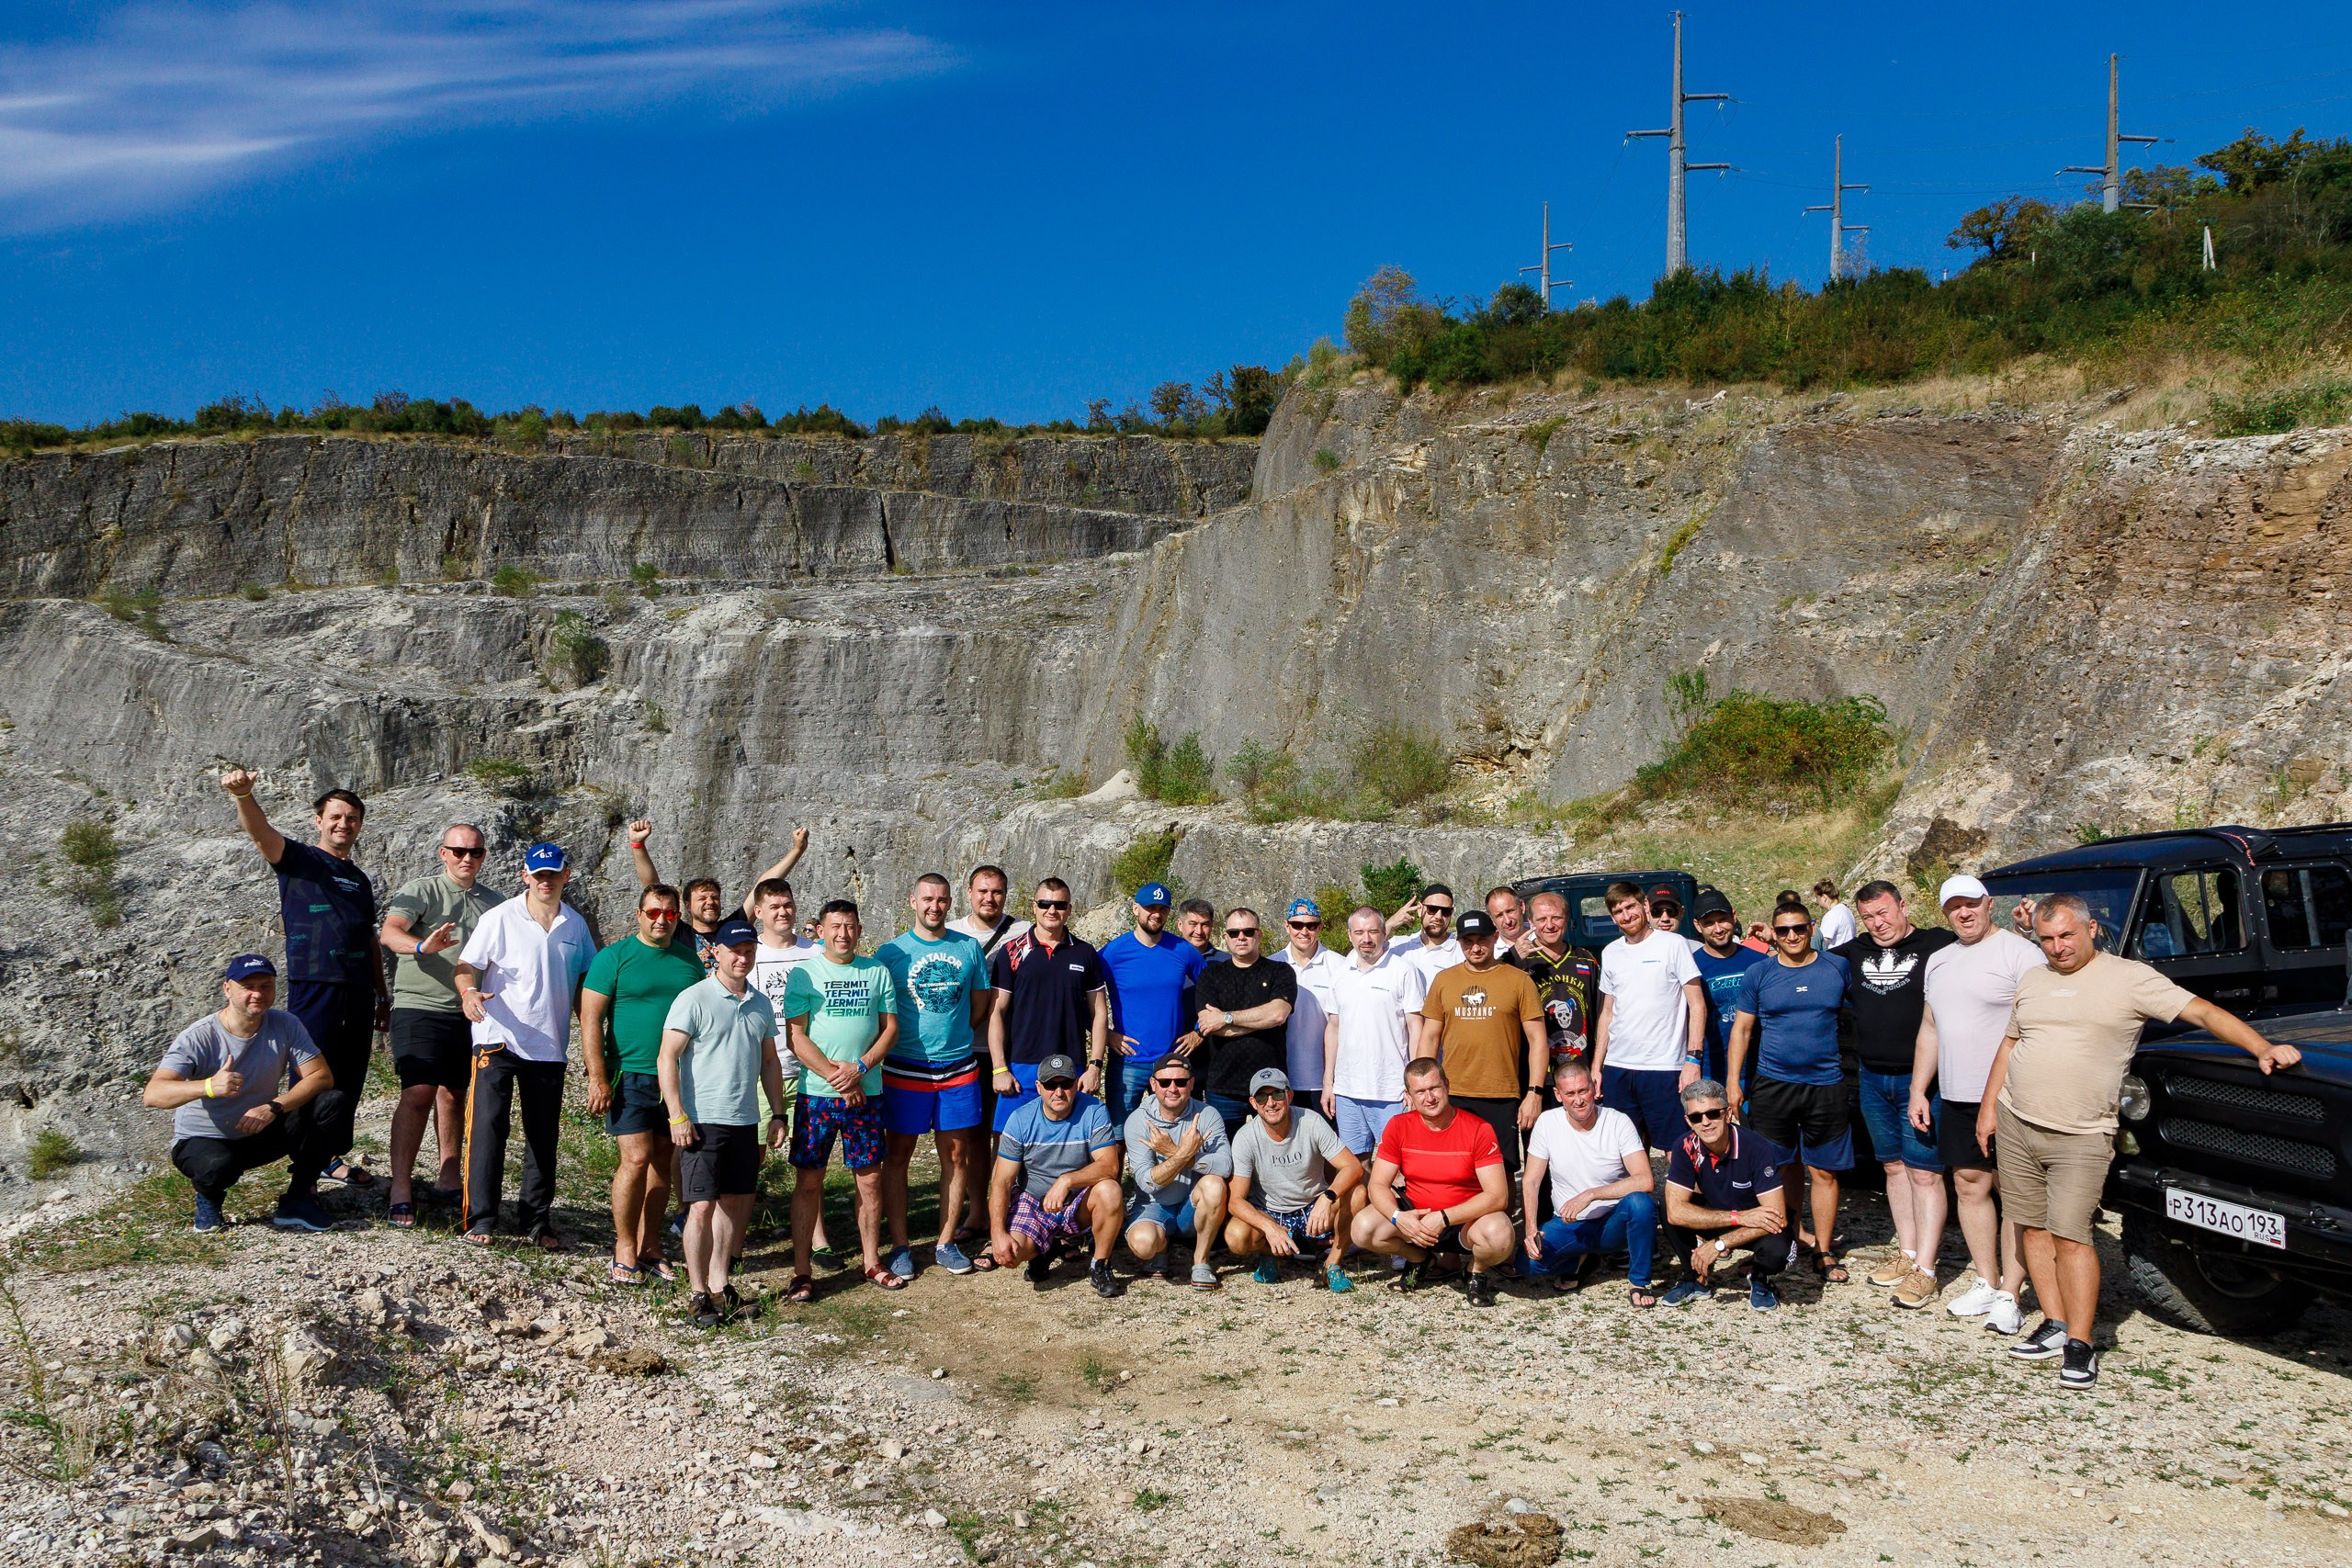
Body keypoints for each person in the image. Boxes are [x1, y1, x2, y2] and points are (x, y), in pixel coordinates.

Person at [1978, 893, 2298, 1389]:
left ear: (2091, 931)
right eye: (2047, 939)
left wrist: (2262, 1046)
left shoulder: (2130, 978)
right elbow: (2011, 1043)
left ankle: (2081, 1343)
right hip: (2017, 1120)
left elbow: (2203, 1013)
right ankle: (2056, 1323)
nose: (2058, 947)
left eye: (2067, 935)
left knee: (2071, 1234)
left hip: (2082, 1133)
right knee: (2030, 1227)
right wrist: (1987, 1109)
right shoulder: (2034, 978)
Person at [219, 769, 386, 1193]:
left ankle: (327, 1155)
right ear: (319, 821)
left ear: (359, 825)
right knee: (312, 1074)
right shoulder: (299, 859)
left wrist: (382, 994)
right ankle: (303, 1166)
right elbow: (261, 833)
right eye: (335, 817)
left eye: (351, 818)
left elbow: (369, 939)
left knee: (349, 1077)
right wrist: (244, 795)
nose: (342, 824)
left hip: (359, 991)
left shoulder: (361, 880)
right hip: (316, 984)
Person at [1912, 875, 2042, 1334]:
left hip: (2011, 1096)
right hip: (1956, 1094)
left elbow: (2039, 1022)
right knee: (1969, 1185)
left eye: (1971, 905)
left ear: (1989, 904)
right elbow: (1930, 1028)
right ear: (1944, 913)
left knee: (2016, 1193)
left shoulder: (2020, 953)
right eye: (1954, 908)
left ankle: (2012, 1290)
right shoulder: (1940, 960)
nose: (1964, 914)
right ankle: (1987, 1280)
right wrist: (1917, 1090)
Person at [454, 842, 595, 1248]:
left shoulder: (576, 925)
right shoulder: (500, 917)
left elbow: (586, 985)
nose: (545, 881)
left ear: (566, 875)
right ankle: (480, 1219)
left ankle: (536, 1222)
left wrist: (593, 1041)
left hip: (549, 1044)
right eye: (538, 874)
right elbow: (467, 965)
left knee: (542, 1135)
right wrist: (468, 994)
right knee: (487, 1129)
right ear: (525, 876)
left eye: (553, 874)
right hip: (497, 1038)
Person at [143, 955, 347, 1233]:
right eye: (247, 986)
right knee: (218, 1167)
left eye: (266, 985)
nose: (258, 994)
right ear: (227, 990)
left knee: (331, 1102)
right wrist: (208, 1087)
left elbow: (321, 1076)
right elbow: (153, 1094)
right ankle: (209, 1198)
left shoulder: (285, 1024)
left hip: (259, 1127)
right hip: (205, 1139)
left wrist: (274, 1107)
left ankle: (298, 1199)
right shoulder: (199, 1036)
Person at [657, 917, 788, 1326]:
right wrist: (676, 1114)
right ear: (716, 952)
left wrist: (778, 1113)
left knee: (732, 1204)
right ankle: (697, 1294)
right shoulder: (694, 998)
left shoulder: (760, 1002)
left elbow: (769, 1062)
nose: (742, 958)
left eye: (749, 951)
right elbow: (667, 1057)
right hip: (701, 1120)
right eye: (734, 951)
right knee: (700, 1207)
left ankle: (720, 1284)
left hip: (744, 1119)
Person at [1833, 880, 1957, 1308]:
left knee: (1926, 1171)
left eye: (1884, 913)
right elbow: (1805, 961)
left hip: (1922, 1078)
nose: (1878, 923)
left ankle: (1926, 1268)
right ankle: (1906, 1253)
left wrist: (2023, 931)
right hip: (1871, 1076)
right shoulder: (1853, 950)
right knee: (1892, 1168)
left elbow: (1988, 952)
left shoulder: (1939, 944)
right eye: (1868, 916)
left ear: (1903, 907)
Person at [378, 823, 504, 1227]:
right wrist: (420, 946)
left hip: (469, 1011)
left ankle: (449, 1178)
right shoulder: (422, 890)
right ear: (442, 853)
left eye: (476, 852)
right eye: (459, 851)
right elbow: (389, 931)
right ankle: (401, 1188)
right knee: (418, 1090)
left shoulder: (496, 903)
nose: (468, 858)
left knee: (454, 1093)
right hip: (420, 1006)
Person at [581, 883, 704, 1283]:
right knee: (635, 1159)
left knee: (661, 1164)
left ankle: (651, 1245)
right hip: (628, 1073)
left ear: (677, 918)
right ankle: (624, 1245)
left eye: (669, 913)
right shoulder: (613, 957)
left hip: (676, 1079)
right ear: (639, 914)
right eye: (653, 912)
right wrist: (597, 1078)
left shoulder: (690, 962)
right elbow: (589, 1020)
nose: (661, 920)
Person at [1726, 901, 1854, 1286]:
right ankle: (1788, 1236)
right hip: (1773, 1084)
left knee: (1824, 1170)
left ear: (1812, 927)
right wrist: (1734, 1082)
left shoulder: (1837, 967)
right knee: (1781, 1167)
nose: (1792, 936)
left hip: (1826, 1084)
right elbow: (1742, 1031)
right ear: (1773, 933)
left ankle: (1824, 1249)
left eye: (1799, 928)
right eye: (1783, 931)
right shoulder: (1759, 972)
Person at [876, 874, 995, 1278]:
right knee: (898, 1157)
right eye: (927, 899)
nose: (935, 907)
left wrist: (953, 1035)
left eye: (942, 900)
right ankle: (900, 1245)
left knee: (957, 1157)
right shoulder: (891, 952)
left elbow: (979, 1005)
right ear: (913, 901)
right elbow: (880, 1013)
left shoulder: (968, 949)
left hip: (957, 1067)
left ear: (950, 903)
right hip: (905, 1067)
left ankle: (945, 1241)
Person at [780, 900, 901, 1298]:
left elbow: (890, 1030)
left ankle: (871, 1261)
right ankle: (802, 1271)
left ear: (860, 930)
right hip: (818, 1096)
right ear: (820, 930)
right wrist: (838, 1077)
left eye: (849, 927)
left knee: (869, 1180)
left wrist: (861, 1068)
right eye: (835, 927)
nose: (842, 934)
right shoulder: (804, 973)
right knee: (809, 1182)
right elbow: (796, 1037)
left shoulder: (876, 971)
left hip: (866, 1094)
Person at [1351, 1058, 1514, 1304]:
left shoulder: (1479, 1129)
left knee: (1500, 1235)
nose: (1429, 1098)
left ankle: (1474, 1271)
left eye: (1434, 1088)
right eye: (1420, 1092)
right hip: (1416, 1217)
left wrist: (1445, 1217)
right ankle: (1419, 1258)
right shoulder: (1398, 1126)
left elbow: (1498, 1196)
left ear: (1447, 1085)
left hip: (1464, 1221)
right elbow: (1377, 1185)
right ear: (1409, 1095)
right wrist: (1399, 1217)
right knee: (1362, 1228)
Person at [1419, 910, 1545, 1196]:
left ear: (1496, 938)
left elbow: (1537, 1039)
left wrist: (1534, 1093)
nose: (1475, 948)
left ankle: (1502, 1237)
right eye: (1468, 941)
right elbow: (1429, 1036)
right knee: (1455, 1170)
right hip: (1454, 1093)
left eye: (1482, 940)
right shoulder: (1444, 980)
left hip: (1501, 1094)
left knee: (1502, 1171)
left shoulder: (1518, 980)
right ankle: (1459, 1234)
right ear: (1459, 943)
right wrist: (1419, 1088)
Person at [1521, 1060, 1658, 1305]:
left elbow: (1645, 1180)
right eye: (1570, 1093)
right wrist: (1531, 1229)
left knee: (1641, 1203)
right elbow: (1531, 1180)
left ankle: (1639, 1281)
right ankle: (1579, 1258)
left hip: (1612, 1221)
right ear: (1558, 1095)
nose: (1578, 1100)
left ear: (1594, 1087)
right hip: (1571, 1224)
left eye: (1583, 1090)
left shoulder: (1618, 1121)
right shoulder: (1547, 1122)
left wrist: (1591, 1194)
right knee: (1529, 1264)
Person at [989, 1053, 1125, 1298]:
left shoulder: (1094, 1110)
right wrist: (997, 1234)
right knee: (1011, 1255)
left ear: (1076, 1083)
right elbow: (1002, 1182)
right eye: (1051, 1085)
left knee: (1111, 1190)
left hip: (1076, 1199)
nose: (1059, 1092)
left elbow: (1110, 1167)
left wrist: (1067, 1180)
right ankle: (1043, 1249)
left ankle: (1100, 1265)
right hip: (1034, 1201)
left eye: (1066, 1084)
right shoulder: (1020, 1119)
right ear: (1039, 1087)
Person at [987, 878, 1112, 1128]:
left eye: (1060, 905)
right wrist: (999, 1069)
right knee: (1006, 1142)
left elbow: (1099, 1012)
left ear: (1069, 909)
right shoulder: (1011, 951)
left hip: (1070, 1065)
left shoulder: (1085, 953)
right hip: (1021, 1065)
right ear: (1034, 906)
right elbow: (996, 1012)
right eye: (1045, 904)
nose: (1052, 911)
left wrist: (1095, 1066)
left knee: (1068, 1140)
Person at [1590, 881, 1706, 1151]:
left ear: (1644, 906)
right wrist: (1597, 1066)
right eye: (1618, 911)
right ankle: (1636, 1195)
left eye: (1631, 906)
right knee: (1624, 1148)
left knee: (1676, 1149)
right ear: (1612, 917)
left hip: (1663, 1067)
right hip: (1618, 1066)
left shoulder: (1673, 944)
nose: (1626, 915)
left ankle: (1683, 1195)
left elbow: (1697, 1005)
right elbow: (1608, 1013)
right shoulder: (1611, 952)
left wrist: (1693, 1059)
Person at [1225, 1067, 1364, 1291]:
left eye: (1277, 1095)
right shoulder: (1245, 1136)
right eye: (1262, 1097)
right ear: (1253, 1103)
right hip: (1272, 1212)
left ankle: (1332, 1265)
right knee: (1235, 1236)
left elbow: (1353, 1166)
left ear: (1289, 1095)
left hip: (1313, 1208)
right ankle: (1269, 1254)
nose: (1270, 1103)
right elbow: (1235, 1200)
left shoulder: (1311, 1121)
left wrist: (1328, 1197)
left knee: (1358, 1193)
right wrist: (1268, 1227)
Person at [1662, 1078, 1794, 1310]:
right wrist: (1737, 1218)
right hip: (1733, 1217)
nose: (1705, 1122)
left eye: (1712, 1113)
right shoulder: (1685, 1146)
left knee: (1779, 1250)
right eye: (1696, 1117)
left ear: (1728, 1113)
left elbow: (1777, 1215)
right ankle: (1694, 1278)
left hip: (1759, 1225)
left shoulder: (1756, 1147)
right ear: (1688, 1121)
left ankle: (1761, 1278)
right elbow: (1675, 1212)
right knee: (1666, 1208)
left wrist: (1719, 1245)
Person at [949, 862, 1030, 1227]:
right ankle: (978, 1213)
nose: (989, 898)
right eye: (982, 891)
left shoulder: (1025, 932)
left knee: (1010, 1136)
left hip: (1013, 1049)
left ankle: (1011, 1211)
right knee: (974, 1137)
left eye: (997, 892)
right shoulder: (950, 935)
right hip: (965, 1051)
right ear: (969, 893)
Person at [628, 820, 808, 971]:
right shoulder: (678, 932)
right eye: (702, 898)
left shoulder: (732, 928)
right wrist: (638, 846)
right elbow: (653, 889)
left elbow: (762, 888)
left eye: (715, 897)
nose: (710, 902)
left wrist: (797, 850)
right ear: (688, 906)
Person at [1324, 906, 1430, 1158]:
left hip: (1391, 1090)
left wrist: (1414, 1086)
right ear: (1350, 935)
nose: (1366, 939)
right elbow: (1333, 1028)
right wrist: (1329, 1083)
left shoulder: (1403, 971)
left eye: (1373, 931)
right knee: (1355, 1165)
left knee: (1398, 1165)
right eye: (1359, 932)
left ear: (1384, 933)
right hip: (1348, 1090)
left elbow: (1416, 1027)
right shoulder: (1340, 975)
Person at [1099, 881, 1208, 1125]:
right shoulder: (1113, 953)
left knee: (1175, 1131)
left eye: (1163, 909)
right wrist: (1106, 1035)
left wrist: (1200, 1033)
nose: (1156, 914)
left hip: (1171, 1064)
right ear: (1136, 908)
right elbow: (1081, 995)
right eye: (1150, 907)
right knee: (1118, 1135)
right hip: (1128, 1062)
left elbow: (1212, 991)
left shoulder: (1184, 950)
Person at [1122, 1055, 1230, 1288]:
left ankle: (1200, 1260)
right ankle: (1163, 1246)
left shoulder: (1207, 1115)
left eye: (1180, 1082)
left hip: (1192, 1206)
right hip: (1152, 1205)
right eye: (1165, 1082)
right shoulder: (1138, 1121)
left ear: (1191, 1083)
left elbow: (1225, 1166)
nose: (1173, 1088)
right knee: (1143, 1244)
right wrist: (1183, 1154)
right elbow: (1147, 1183)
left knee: (1214, 1185)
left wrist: (1173, 1152)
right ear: (1153, 1085)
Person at [1191, 908, 1297, 1126]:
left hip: (1271, 1086)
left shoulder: (1280, 971)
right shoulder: (1210, 975)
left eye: (1248, 931)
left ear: (1259, 935)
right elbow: (1209, 1025)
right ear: (1226, 937)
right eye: (1234, 933)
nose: (1241, 937)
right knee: (1223, 1156)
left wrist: (1226, 1018)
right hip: (1223, 1088)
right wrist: (1261, 1020)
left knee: (1274, 1155)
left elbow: (1278, 1014)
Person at [1510, 892, 1602, 1100]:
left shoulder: (1586, 960)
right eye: (1542, 919)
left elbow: (1600, 1017)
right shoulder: (1519, 962)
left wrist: (1598, 1066)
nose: (1550, 925)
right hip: (1537, 1076)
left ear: (1567, 920)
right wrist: (1511, 958)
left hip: (1581, 1075)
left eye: (1556, 918)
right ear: (1530, 922)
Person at [1689, 889, 1768, 1091]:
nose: (1718, 929)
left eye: (1722, 919)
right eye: (1708, 923)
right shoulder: (1691, 967)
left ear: (1734, 916)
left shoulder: (1759, 961)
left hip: (1759, 1069)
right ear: (1698, 925)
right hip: (1712, 1070)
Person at [1272, 897, 1345, 1105]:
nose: (1304, 931)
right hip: (1281, 1079)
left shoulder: (1339, 965)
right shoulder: (1272, 965)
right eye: (1297, 924)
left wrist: (1330, 1080)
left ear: (1320, 927)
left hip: (1325, 1082)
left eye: (1311, 925)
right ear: (1287, 926)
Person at [1386, 885, 1463, 987]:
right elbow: (1362, 960)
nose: (1438, 916)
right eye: (1432, 909)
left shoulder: (1462, 953)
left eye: (1445, 911)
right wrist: (1388, 926)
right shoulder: (1397, 945)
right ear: (1419, 909)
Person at [1812, 878, 1856, 951]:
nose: (1816, 901)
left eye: (1817, 897)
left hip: (1836, 955)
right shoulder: (1846, 910)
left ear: (1824, 897)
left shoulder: (1832, 915)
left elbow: (1823, 942)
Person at [1484, 886, 1529, 958]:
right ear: (1491, 919)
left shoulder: (1543, 935)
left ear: (1522, 906)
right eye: (1499, 915)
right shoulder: (1489, 952)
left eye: (1510, 911)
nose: (1508, 921)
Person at [1175, 899, 1223, 963]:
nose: (1199, 931)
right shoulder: (1166, 958)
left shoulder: (1227, 962)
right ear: (1180, 925)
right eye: (1193, 924)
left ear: (1211, 926)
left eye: (1205, 925)